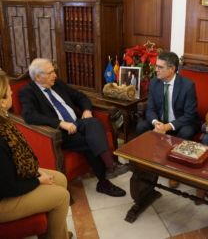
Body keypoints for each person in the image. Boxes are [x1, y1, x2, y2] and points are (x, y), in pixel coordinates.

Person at [19, 58, 129, 197]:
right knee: (92, 141)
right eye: (50, 73)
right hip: (61, 133)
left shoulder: (57, 84)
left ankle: (110, 166)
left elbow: (80, 96)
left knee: (93, 122)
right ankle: (105, 179)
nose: (55, 76)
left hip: (78, 123)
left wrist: (87, 110)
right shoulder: (27, 92)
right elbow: (30, 115)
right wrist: (59, 123)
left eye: (54, 71)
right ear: (38, 77)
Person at [0, 72, 73, 239]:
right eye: (8, 91)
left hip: (9, 183)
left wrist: (35, 170)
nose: (12, 92)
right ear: (2, 102)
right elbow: (8, 187)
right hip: (3, 198)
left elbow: (14, 163)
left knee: (60, 178)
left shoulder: (4, 122)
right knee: (61, 197)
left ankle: (53, 233)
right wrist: (39, 180)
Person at [136, 51, 201, 188]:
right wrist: (156, 123)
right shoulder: (154, 82)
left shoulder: (188, 85)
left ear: (172, 69)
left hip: (182, 122)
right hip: (161, 121)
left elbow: (189, 115)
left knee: (186, 133)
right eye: (156, 66)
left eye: (160, 67)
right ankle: (148, 164)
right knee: (141, 127)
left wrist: (168, 127)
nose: (156, 70)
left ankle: (175, 172)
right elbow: (151, 109)